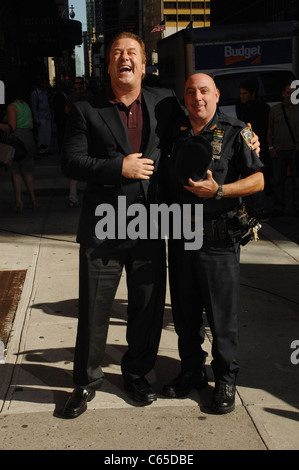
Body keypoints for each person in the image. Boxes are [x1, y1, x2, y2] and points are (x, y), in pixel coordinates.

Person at [60, 32, 184, 418]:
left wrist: (245, 142)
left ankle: (136, 373)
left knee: (146, 307)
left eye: (132, 53)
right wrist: (119, 167)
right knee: (95, 308)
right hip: (103, 226)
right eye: (117, 53)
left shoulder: (164, 102)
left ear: (144, 65)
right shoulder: (86, 109)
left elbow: (198, 131)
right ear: (109, 65)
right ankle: (85, 383)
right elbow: (72, 162)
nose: (124, 58)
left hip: (150, 222)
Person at [162, 73, 264, 414]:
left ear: (217, 95)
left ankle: (225, 378)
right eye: (190, 92)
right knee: (185, 313)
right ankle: (191, 372)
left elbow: (259, 179)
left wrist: (219, 190)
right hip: (180, 237)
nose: (197, 98)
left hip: (217, 239)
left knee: (221, 316)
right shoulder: (173, 133)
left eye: (204, 91)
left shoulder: (237, 131)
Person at [236, 77, 270, 220]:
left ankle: (260, 210)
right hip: (245, 145)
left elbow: (264, 129)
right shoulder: (240, 106)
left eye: (245, 93)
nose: (241, 96)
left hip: (258, 147)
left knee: (256, 177)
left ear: (253, 93)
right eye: (241, 93)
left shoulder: (262, 107)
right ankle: (253, 208)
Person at [0, 89, 36, 211]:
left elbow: (12, 127)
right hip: (28, 138)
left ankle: (18, 201)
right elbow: (31, 125)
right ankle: (32, 199)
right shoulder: (25, 105)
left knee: (15, 171)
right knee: (27, 172)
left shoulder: (11, 107)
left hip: (17, 141)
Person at [267, 82, 299, 217]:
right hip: (279, 150)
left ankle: (296, 207)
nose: (289, 95)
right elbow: (270, 129)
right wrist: (270, 147)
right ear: (283, 93)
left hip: (295, 150)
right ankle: (279, 207)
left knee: (296, 180)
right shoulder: (275, 109)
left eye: (292, 93)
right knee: (278, 180)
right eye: (287, 92)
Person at [65, 77, 94, 208]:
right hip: (79, 133)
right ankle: (73, 197)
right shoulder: (74, 97)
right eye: (76, 83)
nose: (78, 85)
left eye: (80, 83)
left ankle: (75, 197)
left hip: (87, 133)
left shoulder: (87, 96)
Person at [30, 77, 52, 156]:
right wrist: (36, 119)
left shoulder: (44, 92)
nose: (45, 85)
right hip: (41, 116)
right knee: (42, 134)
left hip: (46, 115)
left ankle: (46, 149)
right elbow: (34, 107)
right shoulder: (35, 93)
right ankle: (42, 150)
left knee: (47, 134)